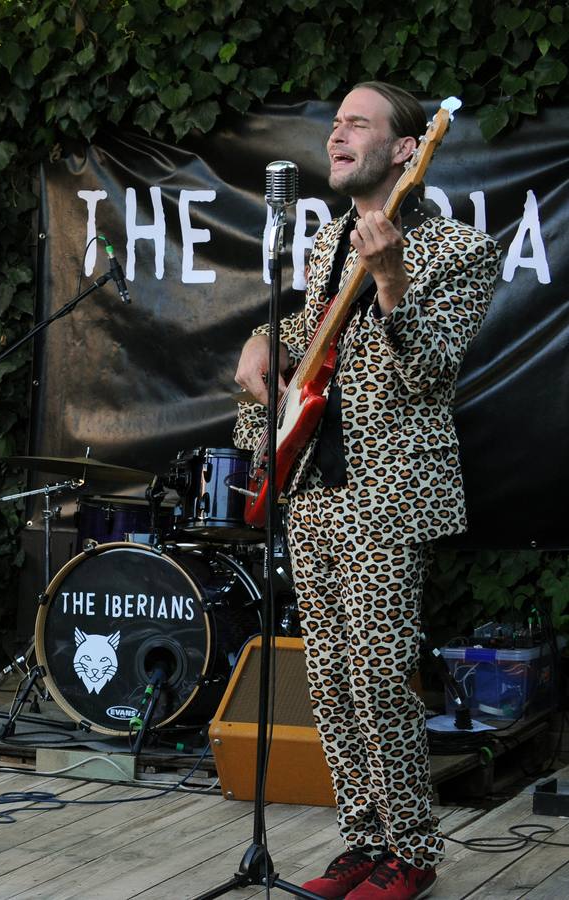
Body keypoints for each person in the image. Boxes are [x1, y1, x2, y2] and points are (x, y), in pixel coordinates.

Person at [233, 82, 499, 900]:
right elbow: (310, 341)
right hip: (314, 485)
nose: (337, 135)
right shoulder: (326, 242)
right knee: (332, 680)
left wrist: (390, 284)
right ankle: (362, 840)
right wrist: (256, 341)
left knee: (381, 676)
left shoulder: (457, 250)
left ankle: (411, 854)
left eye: (359, 124)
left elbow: (428, 372)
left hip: (387, 495)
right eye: (336, 123)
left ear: (405, 150)